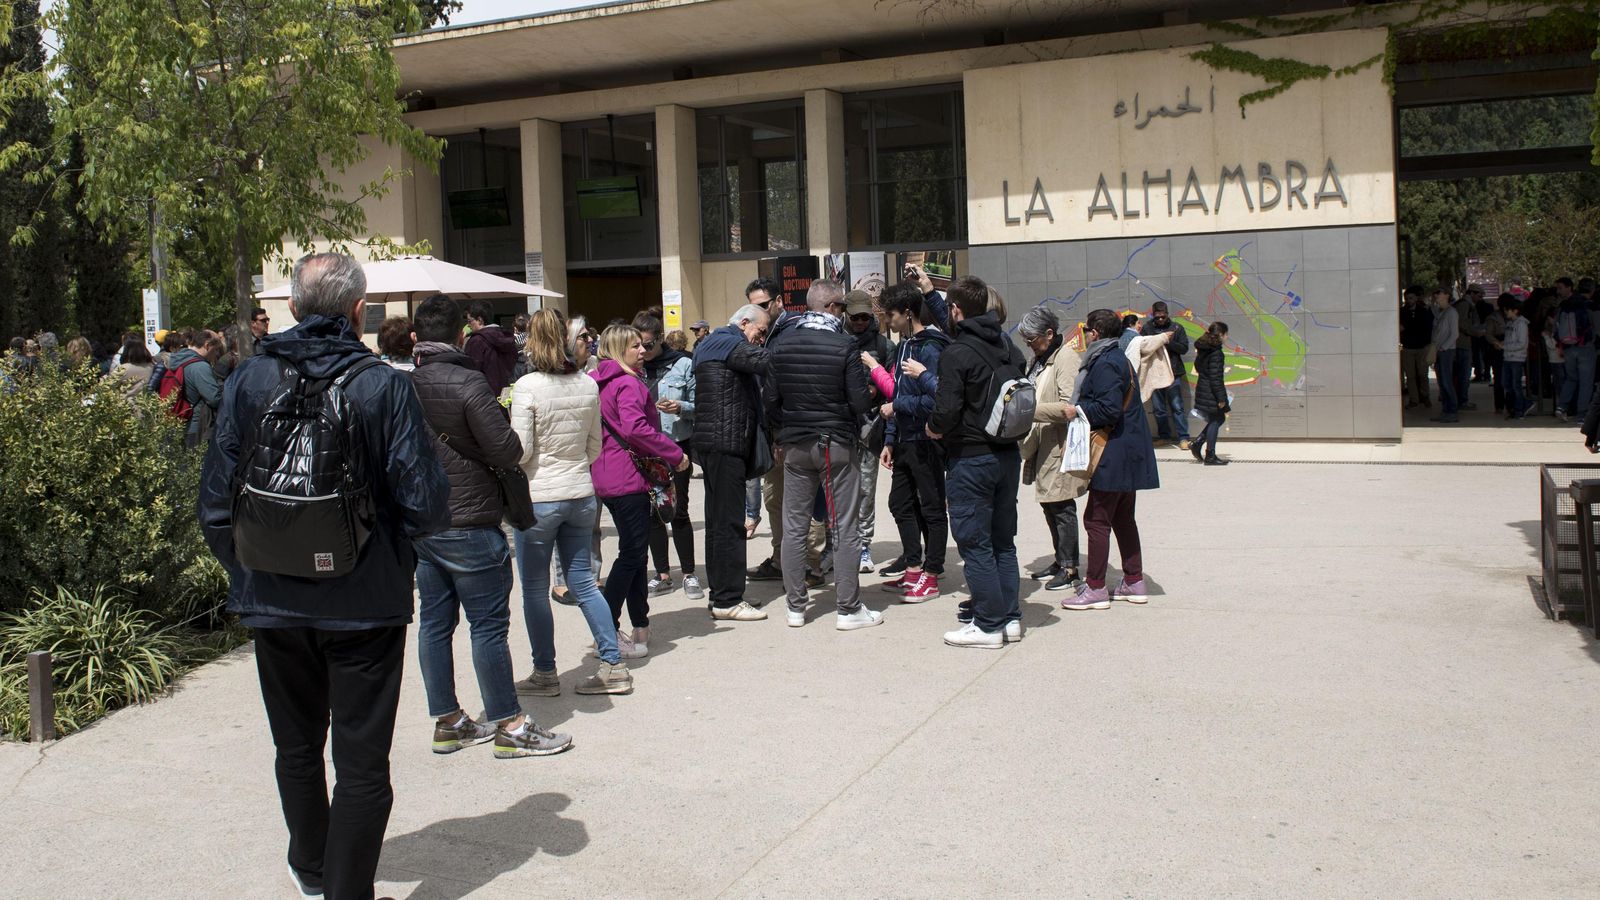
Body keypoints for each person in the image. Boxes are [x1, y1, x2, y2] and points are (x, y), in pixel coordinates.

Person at [198, 252, 453, 900]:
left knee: (296, 748)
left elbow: (214, 504)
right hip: (364, 606)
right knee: (363, 766)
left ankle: (311, 873)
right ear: (358, 311)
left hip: (274, 603)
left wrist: (258, 567)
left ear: (292, 307)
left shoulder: (248, 379)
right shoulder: (383, 385)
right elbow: (425, 504)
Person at [408, 294, 575, 756]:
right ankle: (509, 724)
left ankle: (448, 720)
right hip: (470, 518)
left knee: (435, 625)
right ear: (462, 333)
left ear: (416, 336)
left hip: (424, 521)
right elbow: (506, 450)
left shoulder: (402, 386)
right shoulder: (469, 383)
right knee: (487, 626)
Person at [511, 308, 639, 693]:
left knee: (535, 588)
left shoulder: (528, 386)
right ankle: (613, 664)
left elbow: (520, 450)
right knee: (583, 581)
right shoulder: (586, 384)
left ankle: (545, 671)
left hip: (540, 497)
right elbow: (594, 445)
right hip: (579, 492)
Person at [765, 279, 877, 630]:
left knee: (794, 527)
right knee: (844, 526)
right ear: (831, 307)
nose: (844, 313)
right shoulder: (845, 345)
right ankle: (848, 608)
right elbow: (860, 402)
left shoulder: (781, 345)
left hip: (796, 445)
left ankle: (796, 606)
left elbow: (770, 401)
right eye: (842, 307)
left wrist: (785, 429)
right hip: (835, 443)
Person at [929, 277, 1025, 648]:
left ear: (955, 309)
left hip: (971, 458)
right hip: (1007, 455)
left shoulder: (958, 352)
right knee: (1004, 542)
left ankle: (987, 625)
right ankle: (1010, 617)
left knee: (975, 543)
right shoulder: (1006, 346)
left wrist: (933, 427)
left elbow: (946, 410)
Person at [591, 324, 689, 653]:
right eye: (635, 346)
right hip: (628, 477)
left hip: (606, 476)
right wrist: (675, 454)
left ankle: (640, 627)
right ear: (619, 350)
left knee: (633, 553)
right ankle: (607, 628)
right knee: (632, 555)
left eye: (642, 345)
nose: (643, 350)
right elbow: (636, 429)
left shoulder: (596, 383)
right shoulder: (628, 383)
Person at [1061, 308, 1160, 612]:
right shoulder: (1119, 358)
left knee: (1096, 519)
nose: (1085, 336)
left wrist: (1076, 409)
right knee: (1122, 518)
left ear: (1096, 333)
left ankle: (1094, 587)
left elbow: (1107, 409)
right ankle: (1133, 580)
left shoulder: (1104, 362)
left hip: (1113, 451)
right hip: (1128, 450)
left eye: (1087, 330)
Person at [869, 282, 949, 602]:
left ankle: (932, 572)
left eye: (890, 314)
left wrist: (896, 408)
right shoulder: (904, 345)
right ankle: (913, 566)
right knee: (899, 503)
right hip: (903, 440)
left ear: (907, 312)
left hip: (926, 441)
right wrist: (889, 439)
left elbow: (936, 402)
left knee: (932, 507)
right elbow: (900, 394)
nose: (887, 321)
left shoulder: (931, 346)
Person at [694, 304, 773, 620]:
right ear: (744, 323)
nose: (761, 339)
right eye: (761, 331)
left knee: (717, 523)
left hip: (716, 444)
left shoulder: (711, 343)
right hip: (727, 444)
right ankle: (728, 600)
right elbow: (767, 362)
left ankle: (721, 594)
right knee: (728, 523)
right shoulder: (728, 341)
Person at [1017, 306, 1086, 593]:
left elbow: (1068, 406)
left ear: (1048, 334)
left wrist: (1027, 409)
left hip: (1058, 442)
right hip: (1040, 441)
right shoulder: (1039, 359)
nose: (1029, 345)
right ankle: (1060, 560)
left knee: (1061, 505)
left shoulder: (1066, 358)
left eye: (1032, 339)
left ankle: (1070, 567)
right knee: (1048, 504)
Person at [635, 314, 701, 601]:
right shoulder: (631, 370)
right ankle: (662, 574)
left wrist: (681, 407)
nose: (642, 351)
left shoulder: (683, 364)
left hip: (676, 445)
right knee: (652, 513)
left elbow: (701, 404)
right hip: (644, 450)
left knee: (679, 510)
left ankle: (689, 573)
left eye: (648, 345)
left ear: (660, 338)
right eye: (637, 344)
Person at [842, 289, 893, 573]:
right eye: (856, 317)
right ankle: (838, 543)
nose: (861, 321)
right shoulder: (835, 340)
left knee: (865, 489)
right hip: (841, 426)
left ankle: (863, 545)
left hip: (871, 428)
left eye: (865, 316)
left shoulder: (883, 346)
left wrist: (876, 390)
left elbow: (892, 387)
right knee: (837, 491)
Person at [745, 275, 789, 582]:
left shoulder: (791, 331)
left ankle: (810, 563)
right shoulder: (762, 334)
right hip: (770, 433)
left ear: (778, 303)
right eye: (751, 307)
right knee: (774, 499)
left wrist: (783, 434)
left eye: (762, 305)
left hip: (792, 433)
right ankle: (781, 558)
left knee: (801, 501)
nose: (757, 312)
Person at [1139, 302, 1191, 447]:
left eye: (1163, 317)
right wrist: (1157, 340)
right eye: (1158, 317)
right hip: (1154, 374)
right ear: (1153, 315)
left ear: (1167, 314)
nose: (1161, 319)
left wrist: (1167, 341)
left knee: (1177, 406)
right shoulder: (1147, 328)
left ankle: (1183, 438)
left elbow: (1184, 348)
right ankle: (1164, 436)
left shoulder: (1177, 328)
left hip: (1173, 373)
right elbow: (1141, 348)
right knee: (1158, 408)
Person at [1190, 322, 1231, 465]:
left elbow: (1198, 367)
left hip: (1203, 387)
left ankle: (1198, 443)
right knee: (1216, 419)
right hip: (1211, 391)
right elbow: (1216, 378)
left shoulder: (1204, 348)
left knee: (1218, 419)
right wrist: (1221, 399)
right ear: (1220, 335)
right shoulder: (1216, 353)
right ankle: (1210, 455)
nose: (1227, 337)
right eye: (1226, 334)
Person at [1554, 277, 1593, 422]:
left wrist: (1560, 345)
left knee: (1571, 378)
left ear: (1569, 288)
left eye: (1560, 288)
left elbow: (1556, 328)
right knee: (1586, 381)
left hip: (1568, 347)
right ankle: (1582, 414)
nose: (1558, 291)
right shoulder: (1587, 305)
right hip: (1585, 347)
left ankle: (1562, 407)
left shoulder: (1562, 306)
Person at [464, 300, 517, 396]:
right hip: (507, 395)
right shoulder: (507, 337)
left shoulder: (477, 341)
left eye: (469, 321)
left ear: (480, 320)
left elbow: (471, 372)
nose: (468, 325)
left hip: (484, 397)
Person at [1495, 294, 1529, 420]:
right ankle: (1520, 405)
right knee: (1506, 384)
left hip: (1517, 358)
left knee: (1516, 385)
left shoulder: (1521, 324)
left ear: (1515, 311)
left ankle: (1519, 409)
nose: (1505, 313)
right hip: (1508, 357)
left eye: (1507, 310)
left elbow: (1521, 343)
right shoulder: (1510, 324)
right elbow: (1509, 340)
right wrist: (1502, 345)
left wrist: (1505, 347)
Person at [1399, 286, 1433, 409]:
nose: (1409, 300)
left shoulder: (1424, 311)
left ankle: (1425, 396)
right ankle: (1414, 399)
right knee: (1411, 375)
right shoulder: (1402, 312)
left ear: (1416, 298)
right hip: (1408, 347)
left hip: (1422, 347)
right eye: (1407, 298)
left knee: (1423, 374)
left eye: (1411, 298)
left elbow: (1429, 327)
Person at [1430, 288, 1460, 424]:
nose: (1437, 295)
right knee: (1442, 383)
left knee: (1447, 382)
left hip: (1446, 351)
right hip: (1438, 350)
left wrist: (1443, 347)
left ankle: (1452, 410)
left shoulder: (1452, 313)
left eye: (1440, 292)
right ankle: (1446, 410)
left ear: (1447, 295)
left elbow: (1454, 334)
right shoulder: (1440, 312)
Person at [1454, 286, 1483, 410]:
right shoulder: (1464, 305)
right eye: (1479, 295)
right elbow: (1461, 324)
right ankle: (1462, 401)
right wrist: (1475, 332)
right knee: (1463, 375)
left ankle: (1460, 400)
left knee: (1461, 375)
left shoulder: (1465, 304)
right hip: (1461, 343)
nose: (1480, 299)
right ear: (1471, 293)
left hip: (1462, 343)